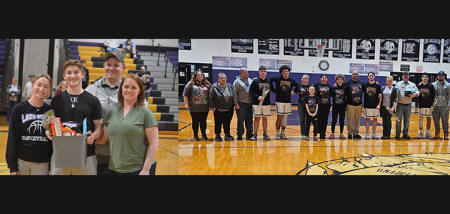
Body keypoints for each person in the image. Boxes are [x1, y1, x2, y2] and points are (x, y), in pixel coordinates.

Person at [46, 59, 103, 175]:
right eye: (69, 73)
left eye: (76, 72)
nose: (73, 76)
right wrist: (49, 131)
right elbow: (51, 125)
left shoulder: (93, 100)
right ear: (64, 76)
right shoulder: (56, 100)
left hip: (86, 155)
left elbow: (99, 127)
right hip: (60, 155)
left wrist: (94, 136)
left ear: (83, 75)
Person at [96, 74, 159, 175]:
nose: (129, 90)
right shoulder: (113, 112)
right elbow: (104, 138)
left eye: (134, 87)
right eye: (126, 87)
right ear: (121, 89)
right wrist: (85, 139)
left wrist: (146, 170)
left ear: (139, 91)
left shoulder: (145, 113)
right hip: (114, 168)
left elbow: (154, 143)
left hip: (139, 169)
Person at [85, 50, 125, 175]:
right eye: (108, 64)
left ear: (123, 68)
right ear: (104, 66)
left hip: (122, 153)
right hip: (95, 152)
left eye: (116, 65)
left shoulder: (131, 89)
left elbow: (143, 116)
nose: (111, 68)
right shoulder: (90, 90)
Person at [5, 73, 53, 175]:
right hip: (21, 161)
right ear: (32, 86)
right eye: (39, 85)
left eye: (46, 87)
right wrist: (12, 166)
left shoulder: (49, 111)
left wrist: (51, 165)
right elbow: (12, 138)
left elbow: (51, 142)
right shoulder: (19, 109)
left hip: (43, 163)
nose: (41, 89)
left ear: (49, 90)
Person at [269, 65, 298, 140]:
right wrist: (273, 90)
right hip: (279, 101)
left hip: (288, 102)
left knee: (285, 118)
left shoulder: (291, 80)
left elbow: (298, 85)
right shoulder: (277, 79)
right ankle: (277, 133)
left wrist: (294, 91)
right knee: (279, 118)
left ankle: (283, 133)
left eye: (287, 71)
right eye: (284, 71)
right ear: (281, 73)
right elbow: (269, 80)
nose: (286, 73)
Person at [182, 70, 211, 140]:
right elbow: (185, 95)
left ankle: (203, 135)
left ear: (203, 76)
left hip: (204, 107)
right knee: (195, 121)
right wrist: (186, 104)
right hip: (194, 107)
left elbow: (211, 95)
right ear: (195, 76)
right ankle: (195, 135)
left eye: (201, 75)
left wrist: (211, 104)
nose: (200, 76)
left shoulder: (207, 84)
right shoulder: (190, 84)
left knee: (203, 121)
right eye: (198, 75)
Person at [209, 73, 235, 141]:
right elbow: (211, 97)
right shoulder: (214, 87)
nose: (223, 79)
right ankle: (218, 135)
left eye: (224, 78)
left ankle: (227, 134)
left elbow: (233, 96)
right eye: (221, 78)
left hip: (229, 108)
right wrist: (213, 107)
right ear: (218, 79)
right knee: (218, 123)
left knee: (227, 122)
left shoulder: (230, 86)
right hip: (218, 109)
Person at [395, 71, 419, 140]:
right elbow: (395, 93)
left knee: (407, 121)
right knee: (398, 120)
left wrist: (414, 94)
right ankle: (397, 134)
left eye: (407, 75)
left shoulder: (412, 84)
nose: (405, 76)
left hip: (408, 105)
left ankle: (405, 134)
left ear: (408, 76)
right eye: (404, 75)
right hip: (399, 105)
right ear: (402, 76)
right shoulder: (398, 84)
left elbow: (418, 91)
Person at [249, 66, 271, 140]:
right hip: (257, 103)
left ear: (266, 72)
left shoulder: (269, 80)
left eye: (264, 71)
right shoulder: (255, 81)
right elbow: (250, 91)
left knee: (265, 119)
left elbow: (274, 89)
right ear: (259, 72)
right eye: (261, 71)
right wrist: (257, 97)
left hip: (266, 103)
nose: (263, 72)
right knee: (257, 119)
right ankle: (255, 134)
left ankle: (265, 133)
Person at [343, 71, 365, 139]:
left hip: (359, 104)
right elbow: (344, 93)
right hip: (350, 104)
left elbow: (367, 88)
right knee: (350, 119)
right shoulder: (347, 83)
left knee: (357, 120)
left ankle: (356, 133)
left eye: (357, 74)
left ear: (358, 75)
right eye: (354, 74)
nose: (355, 75)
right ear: (351, 75)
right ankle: (350, 133)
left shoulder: (362, 83)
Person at [233, 67, 253, 140]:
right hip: (241, 104)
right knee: (241, 120)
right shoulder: (237, 82)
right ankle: (240, 134)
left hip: (249, 103)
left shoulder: (250, 80)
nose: (247, 73)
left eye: (247, 72)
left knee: (249, 119)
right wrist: (236, 103)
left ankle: (249, 133)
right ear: (241, 73)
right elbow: (234, 93)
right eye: (246, 72)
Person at [362, 72, 382, 139]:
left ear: (374, 77)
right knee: (367, 119)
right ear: (368, 77)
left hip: (375, 105)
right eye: (370, 76)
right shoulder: (365, 85)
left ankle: (374, 133)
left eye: (372, 76)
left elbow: (380, 96)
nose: (371, 77)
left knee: (375, 119)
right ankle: (367, 133)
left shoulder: (377, 85)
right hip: (367, 105)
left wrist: (379, 104)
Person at [432, 70, 450, 139]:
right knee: (436, 120)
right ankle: (437, 133)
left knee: (445, 120)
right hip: (435, 106)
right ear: (437, 76)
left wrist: (449, 104)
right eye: (439, 76)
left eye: (442, 76)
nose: (440, 77)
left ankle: (446, 133)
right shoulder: (433, 84)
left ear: (444, 77)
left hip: (444, 106)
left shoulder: (448, 85)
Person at [417, 73, 435, 139]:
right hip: (421, 105)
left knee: (429, 119)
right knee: (421, 119)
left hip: (428, 105)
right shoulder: (419, 86)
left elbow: (433, 96)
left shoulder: (431, 86)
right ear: (421, 78)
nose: (424, 78)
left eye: (426, 77)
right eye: (423, 77)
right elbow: (417, 96)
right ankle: (421, 133)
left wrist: (432, 105)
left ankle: (428, 133)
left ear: (428, 78)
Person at [314, 74, 332, 140]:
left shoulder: (329, 86)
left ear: (327, 79)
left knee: (325, 120)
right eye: (323, 78)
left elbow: (332, 94)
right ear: (320, 79)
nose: (324, 79)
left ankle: (323, 133)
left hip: (327, 105)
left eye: (325, 78)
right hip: (319, 105)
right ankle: (317, 132)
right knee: (318, 119)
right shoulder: (316, 85)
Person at [330, 74, 347, 139]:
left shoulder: (345, 88)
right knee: (334, 120)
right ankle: (332, 133)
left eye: (341, 79)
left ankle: (341, 133)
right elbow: (331, 95)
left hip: (342, 107)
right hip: (335, 106)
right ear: (336, 80)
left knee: (341, 120)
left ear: (343, 80)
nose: (339, 81)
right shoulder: (333, 88)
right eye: (338, 79)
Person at [294, 74, 310, 139]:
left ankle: (307, 133)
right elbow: (293, 92)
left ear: (307, 80)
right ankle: (303, 133)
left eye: (305, 79)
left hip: (308, 104)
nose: (304, 80)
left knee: (308, 119)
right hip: (300, 104)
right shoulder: (299, 86)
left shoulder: (310, 87)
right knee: (302, 119)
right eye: (303, 78)